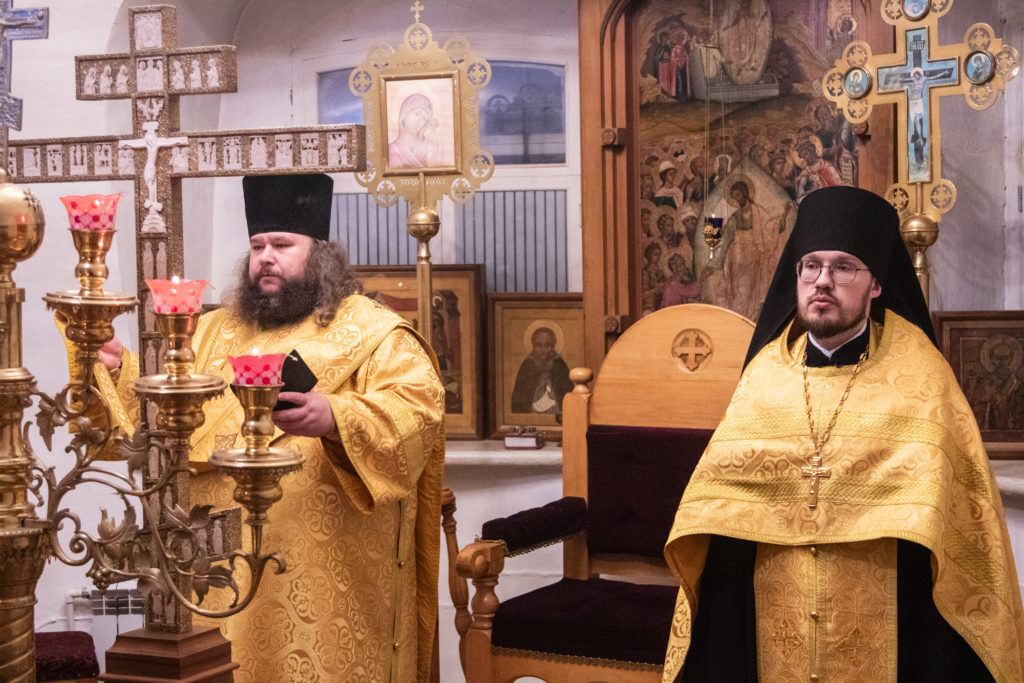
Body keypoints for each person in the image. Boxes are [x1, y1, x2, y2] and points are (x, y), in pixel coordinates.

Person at [86, 173, 446, 682]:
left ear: (320, 253)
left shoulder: (376, 332)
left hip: (326, 577)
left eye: (282, 245)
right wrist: (117, 369)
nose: (266, 258)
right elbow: (162, 417)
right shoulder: (210, 329)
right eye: (257, 246)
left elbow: (420, 412)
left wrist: (337, 417)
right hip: (214, 566)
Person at [662, 186, 1024, 682]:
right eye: (811, 266)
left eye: (844, 268)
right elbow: (721, 512)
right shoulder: (764, 375)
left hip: (894, 618)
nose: (823, 282)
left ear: (876, 284)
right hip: (772, 610)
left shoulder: (921, 375)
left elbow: (957, 517)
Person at [510, 326, 572, 414]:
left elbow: (568, 398)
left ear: (553, 346)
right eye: (539, 345)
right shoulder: (526, 367)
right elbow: (519, 402)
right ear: (533, 346)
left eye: (547, 345)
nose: (543, 350)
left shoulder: (560, 366)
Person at [388, 93, 442, 169]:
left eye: (424, 119)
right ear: (404, 114)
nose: (419, 121)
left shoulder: (429, 147)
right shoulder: (391, 149)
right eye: (417, 114)